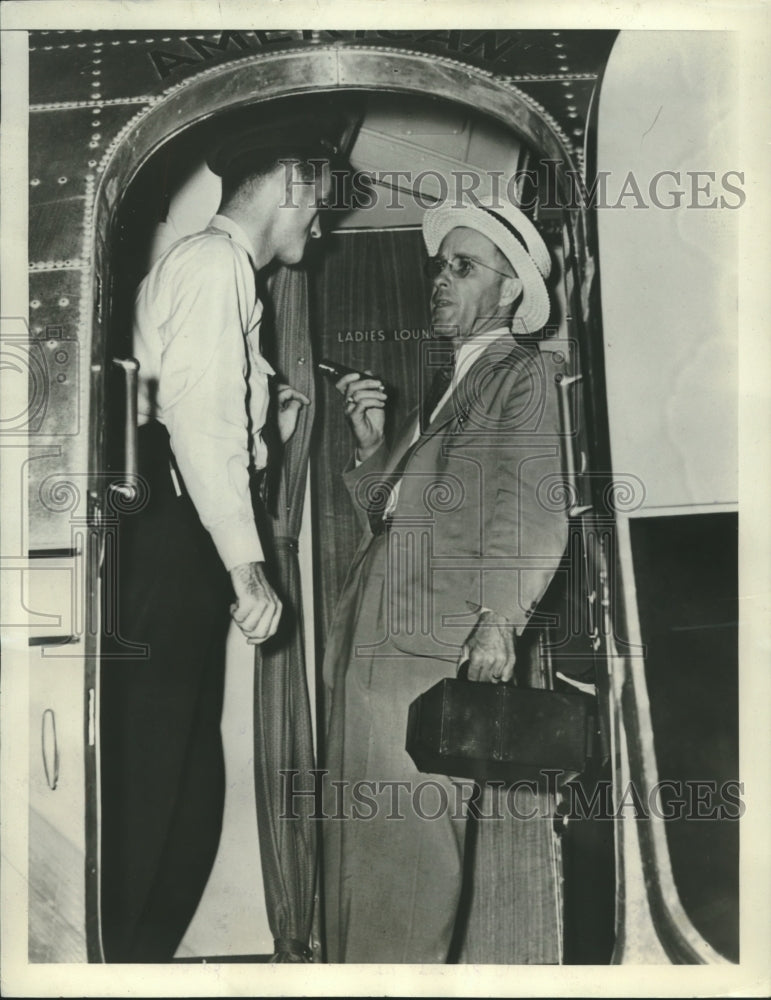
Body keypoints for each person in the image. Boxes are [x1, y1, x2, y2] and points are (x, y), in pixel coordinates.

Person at [99, 117, 339, 962]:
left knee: (183, 778)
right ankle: (119, 963)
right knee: (164, 779)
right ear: (290, 184)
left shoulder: (222, 270)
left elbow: (206, 410)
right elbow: (199, 427)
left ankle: (131, 961)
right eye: (322, 194)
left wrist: (265, 421)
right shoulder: (214, 266)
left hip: (173, 539)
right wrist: (247, 567)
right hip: (175, 539)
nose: (323, 217)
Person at [322, 198, 570, 963]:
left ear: (508, 294)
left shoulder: (524, 371)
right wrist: (373, 449)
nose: (439, 278)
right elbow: (400, 513)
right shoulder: (456, 381)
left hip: (427, 638)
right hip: (375, 631)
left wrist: (499, 619)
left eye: (463, 267)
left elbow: (530, 499)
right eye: (438, 265)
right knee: (357, 843)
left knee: (407, 849)